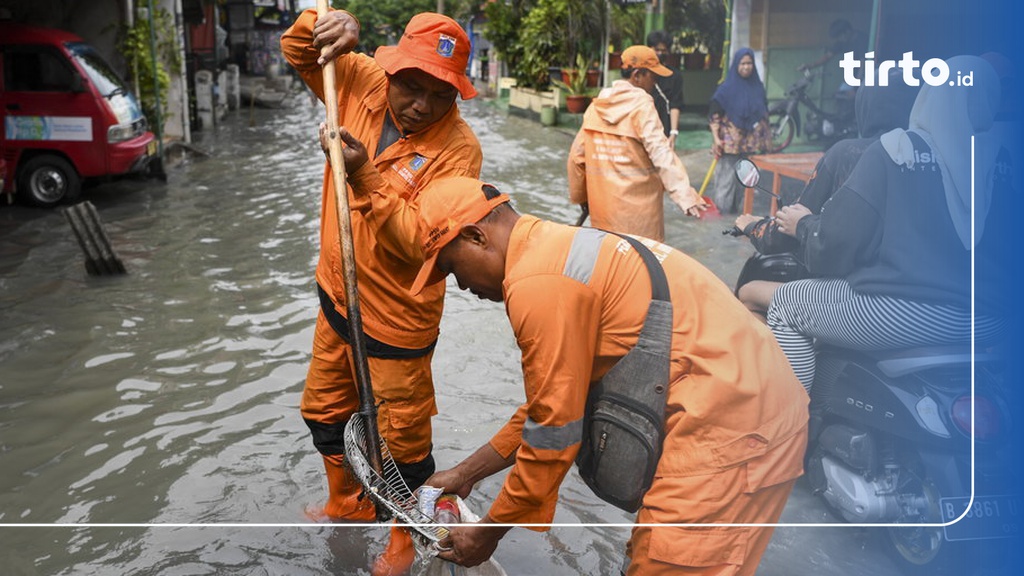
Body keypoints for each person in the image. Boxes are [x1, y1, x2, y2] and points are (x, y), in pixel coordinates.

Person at [407, 176, 808, 575]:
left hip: (735, 429)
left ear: (476, 236)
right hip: (749, 397)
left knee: (668, 564)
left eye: (450, 267)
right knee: (650, 556)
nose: (460, 284)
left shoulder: (536, 285)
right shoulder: (555, 246)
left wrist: (488, 532)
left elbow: (552, 435)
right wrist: (466, 474)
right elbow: (551, 405)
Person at [281, 8, 482, 574]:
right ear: (389, 71)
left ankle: (401, 541)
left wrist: (364, 175)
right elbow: (299, 53)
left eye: (438, 94)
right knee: (323, 411)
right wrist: (324, 24)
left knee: (403, 448)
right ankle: (346, 503)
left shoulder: (459, 152)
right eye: (410, 85)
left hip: (398, 321)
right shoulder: (360, 79)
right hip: (336, 296)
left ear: (456, 97)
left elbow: (421, 244)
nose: (420, 103)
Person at [767, 56, 1006, 391]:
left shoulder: (897, 150)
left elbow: (836, 244)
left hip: (909, 313)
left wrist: (804, 225)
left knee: (786, 303)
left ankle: (788, 432)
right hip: (994, 320)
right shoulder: (1003, 158)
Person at [733, 72, 920, 321]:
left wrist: (752, 226)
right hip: (921, 295)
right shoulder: (929, 159)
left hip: (862, 293)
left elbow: (792, 233)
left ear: (865, 106)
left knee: (748, 293)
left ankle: (784, 361)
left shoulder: (848, 153)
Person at [567, 45, 704, 242]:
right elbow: (661, 153)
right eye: (653, 76)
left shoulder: (595, 108)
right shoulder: (642, 108)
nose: (655, 82)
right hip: (640, 224)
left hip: (602, 218)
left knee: (609, 268)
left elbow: (576, 159)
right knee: (643, 270)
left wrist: (582, 198)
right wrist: (685, 195)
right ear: (638, 75)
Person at [706, 48, 772, 214]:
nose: (746, 67)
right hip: (729, 142)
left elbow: (763, 113)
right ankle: (720, 216)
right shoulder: (726, 89)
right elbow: (715, 115)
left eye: (749, 63)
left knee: (744, 180)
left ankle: (736, 215)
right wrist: (716, 139)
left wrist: (766, 141)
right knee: (726, 180)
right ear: (736, 65)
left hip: (749, 143)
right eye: (743, 63)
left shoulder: (757, 87)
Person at [646, 30, 684, 148]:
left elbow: (675, 104)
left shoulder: (674, 75)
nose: (660, 53)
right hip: (644, 124)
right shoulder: (642, 73)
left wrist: (673, 132)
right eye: (657, 49)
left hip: (663, 127)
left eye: (663, 50)